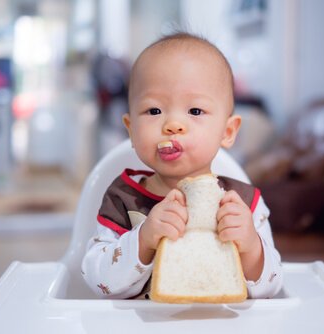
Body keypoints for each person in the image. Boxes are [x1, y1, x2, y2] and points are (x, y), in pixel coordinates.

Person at [82, 32, 283, 299]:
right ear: (131, 130)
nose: (173, 125)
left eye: (195, 111)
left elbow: (274, 286)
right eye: (154, 111)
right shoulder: (123, 197)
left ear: (228, 131)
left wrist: (251, 249)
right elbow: (97, 280)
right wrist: (143, 240)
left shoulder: (245, 203)